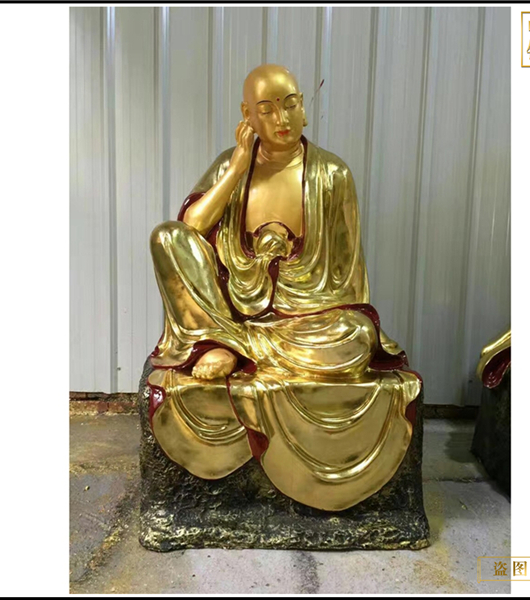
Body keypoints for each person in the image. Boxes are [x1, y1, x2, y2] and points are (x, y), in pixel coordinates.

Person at [147, 64, 422, 511]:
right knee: (166, 238)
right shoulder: (231, 164)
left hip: (306, 317)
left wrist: (332, 319)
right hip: (233, 306)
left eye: (291, 104)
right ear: (247, 116)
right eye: (267, 109)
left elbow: (348, 277)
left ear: (304, 108)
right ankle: (222, 340)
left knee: (354, 338)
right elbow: (191, 228)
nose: (282, 119)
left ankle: (233, 347)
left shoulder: (332, 174)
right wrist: (237, 169)